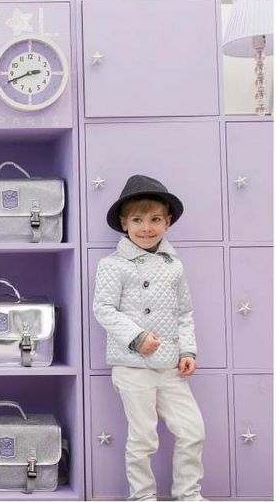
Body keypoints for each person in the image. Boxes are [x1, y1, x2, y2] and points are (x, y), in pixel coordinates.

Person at [93, 175, 206, 501]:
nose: (146, 228)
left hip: (170, 366)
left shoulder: (174, 266)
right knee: (143, 439)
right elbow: (103, 309)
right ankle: (142, 496)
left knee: (192, 431)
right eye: (138, 220)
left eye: (155, 219)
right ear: (124, 223)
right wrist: (138, 337)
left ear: (167, 222)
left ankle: (188, 494)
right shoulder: (113, 265)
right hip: (133, 366)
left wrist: (188, 351)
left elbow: (184, 313)